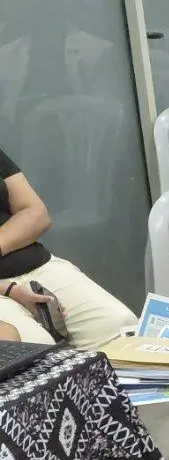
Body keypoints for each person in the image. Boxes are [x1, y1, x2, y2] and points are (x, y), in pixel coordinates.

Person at [0, 147, 133, 348]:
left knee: (118, 326)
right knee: (35, 351)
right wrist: (9, 290)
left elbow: (36, 213)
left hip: (37, 265)